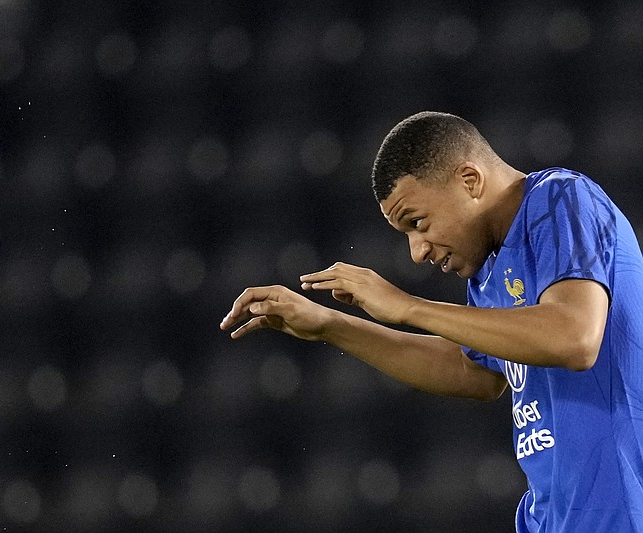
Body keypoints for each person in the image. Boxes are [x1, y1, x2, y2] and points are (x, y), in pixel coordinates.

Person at [219, 111, 643, 532]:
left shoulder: (562, 199)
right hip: (552, 518)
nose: (417, 252)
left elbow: (574, 338)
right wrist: (331, 325)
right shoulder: (489, 271)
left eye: (417, 223)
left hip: (622, 512)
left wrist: (409, 307)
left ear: (470, 182)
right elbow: (473, 372)